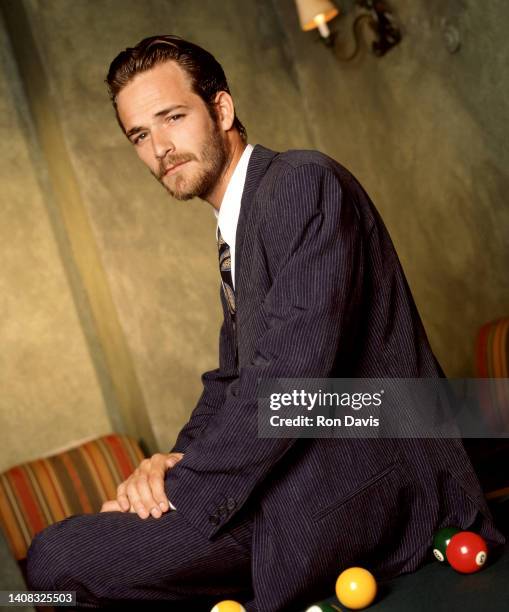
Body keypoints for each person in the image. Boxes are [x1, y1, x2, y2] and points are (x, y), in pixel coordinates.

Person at [26, 35, 504, 611]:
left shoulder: (300, 185)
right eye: (139, 135)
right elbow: (233, 378)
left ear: (221, 109)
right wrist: (166, 467)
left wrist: (185, 486)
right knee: (56, 557)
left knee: (56, 561)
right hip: (285, 475)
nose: (159, 148)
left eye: (172, 117)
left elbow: (290, 389)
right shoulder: (239, 224)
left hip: (354, 478)